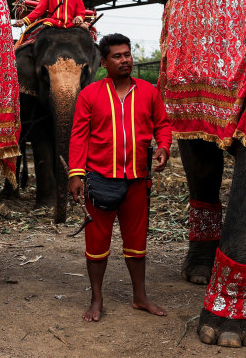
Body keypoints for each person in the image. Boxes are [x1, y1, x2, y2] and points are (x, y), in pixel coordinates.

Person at [67, 33, 172, 322]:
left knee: (137, 243)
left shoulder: (149, 92)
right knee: (97, 244)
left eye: (127, 54)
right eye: (117, 56)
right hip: (100, 179)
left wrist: (163, 147)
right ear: (104, 62)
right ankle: (96, 299)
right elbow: (78, 137)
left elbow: (162, 125)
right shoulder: (90, 94)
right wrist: (76, 175)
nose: (125, 60)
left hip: (138, 180)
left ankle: (140, 297)